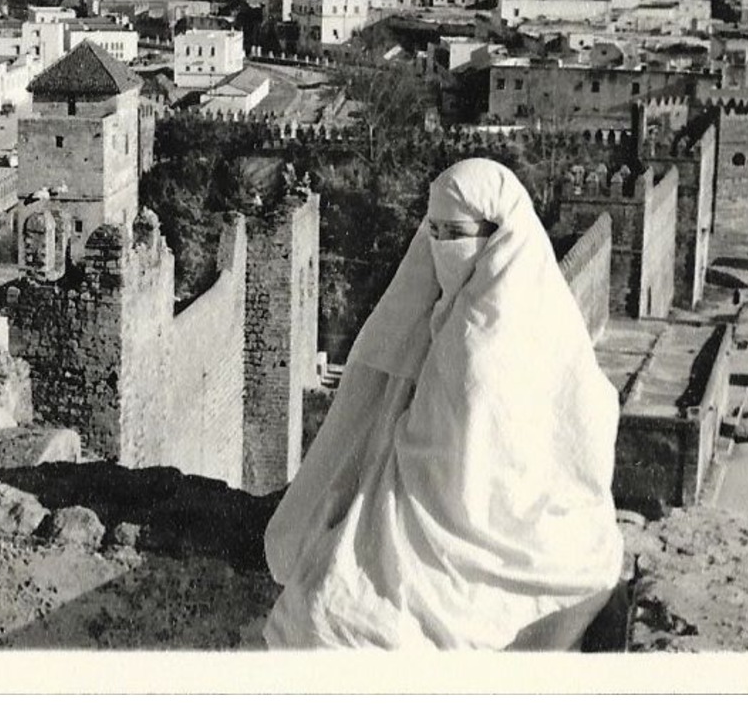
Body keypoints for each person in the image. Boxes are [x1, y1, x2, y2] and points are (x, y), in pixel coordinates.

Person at [262, 158, 624, 650]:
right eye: (432, 231)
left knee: (331, 615)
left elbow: (461, 465)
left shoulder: (483, 333)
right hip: (475, 513)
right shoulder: (516, 304)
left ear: (496, 236)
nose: (442, 247)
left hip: (485, 525)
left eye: (455, 233)